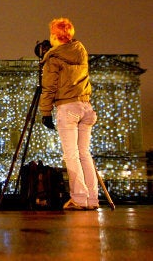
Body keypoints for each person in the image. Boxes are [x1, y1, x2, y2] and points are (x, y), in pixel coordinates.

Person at [39, 17, 99, 210]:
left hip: (68, 109)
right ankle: (92, 200)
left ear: (55, 36)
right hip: (86, 107)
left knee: (71, 155)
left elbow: (48, 87)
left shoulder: (53, 58)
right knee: (85, 155)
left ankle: (79, 199)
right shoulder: (80, 52)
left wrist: (46, 111)